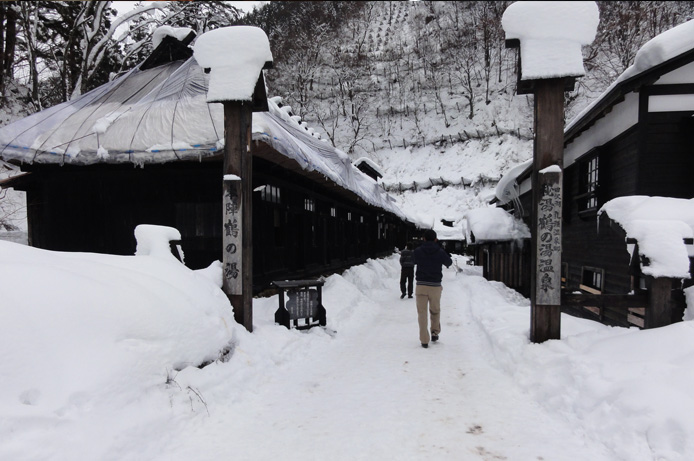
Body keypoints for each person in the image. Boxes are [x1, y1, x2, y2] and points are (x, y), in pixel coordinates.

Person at [413, 229, 452, 348]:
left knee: (422, 313)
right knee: (435, 310)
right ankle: (435, 332)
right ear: (435, 239)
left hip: (421, 285)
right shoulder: (440, 251)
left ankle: (424, 340)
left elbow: (412, 260)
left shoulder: (418, 251)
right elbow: (449, 263)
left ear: (424, 239)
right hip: (435, 286)